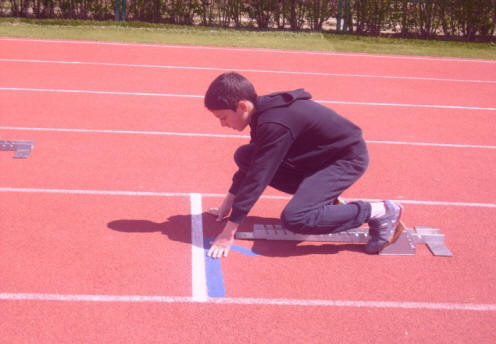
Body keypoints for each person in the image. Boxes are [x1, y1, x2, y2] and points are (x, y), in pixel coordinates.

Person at [204, 72, 403, 258]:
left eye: (223, 117)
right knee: (244, 155)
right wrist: (227, 203)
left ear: (242, 106)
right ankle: (324, 202)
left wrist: (229, 231)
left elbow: (258, 177)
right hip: (318, 159)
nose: (223, 124)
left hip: (346, 159)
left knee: (296, 219)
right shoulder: (262, 113)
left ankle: (381, 211)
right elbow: (254, 163)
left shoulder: (275, 123)